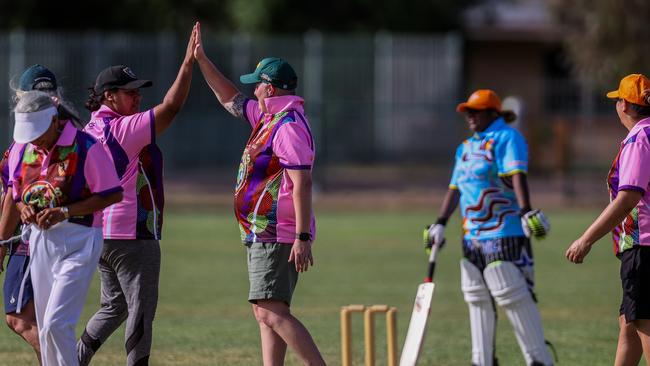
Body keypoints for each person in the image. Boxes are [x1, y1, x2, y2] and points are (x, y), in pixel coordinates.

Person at [193, 23, 325, 366]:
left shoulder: (288, 126)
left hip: (278, 231)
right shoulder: (269, 116)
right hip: (260, 230)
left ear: (269, 88)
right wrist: (201, 60)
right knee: (266, 312)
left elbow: (303, 183)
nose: (252, 92)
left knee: (271, 312)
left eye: (257, 86)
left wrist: (302, 236)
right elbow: (229, 98)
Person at [77, 25, 196, 366]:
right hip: (132, 233)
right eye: (130, 92)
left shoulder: (90, 129)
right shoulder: (121, 128)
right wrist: (187, 63)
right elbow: (171, 107)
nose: (138, 97)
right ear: (108, 96)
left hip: (100, 232)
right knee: (141, 310)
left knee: (114, 305)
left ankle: (70, 360)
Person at [426, 89, 553, 366]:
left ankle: (540, 360)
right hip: (471, 235)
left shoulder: (507, 137)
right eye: (467, 112)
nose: (470, 116)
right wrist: (440, 223)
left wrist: (525, 210)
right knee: (476, 297)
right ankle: (482, 361)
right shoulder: (466, 147)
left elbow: (516, 174)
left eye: (476, 111)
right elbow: (455, 188)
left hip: (505, 231)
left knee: (511, 293)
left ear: (493, 113)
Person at [8, 90, 123, 366]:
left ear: (53, 122)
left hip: (80, 240)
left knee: (56, 323)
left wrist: (66, 212)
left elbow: (112, 194)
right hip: (40, 241)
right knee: (46, 329)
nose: (34, 139)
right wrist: (22, 207)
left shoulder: (85, 146)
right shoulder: (23, 149)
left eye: (37, 132)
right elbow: (15, 191)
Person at [0, 64, 83, 364]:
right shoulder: (72, 132)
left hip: (31, 241)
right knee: (46, 320)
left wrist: (0, 243)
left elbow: (13, 196)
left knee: (20, 318)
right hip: (70, 239)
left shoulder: (26, 141)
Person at [566, 74, 650, 365]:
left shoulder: (640, 139)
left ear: (624, 105)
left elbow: (628, 197)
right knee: (629, 326)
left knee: (644, 324)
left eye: (617, 100)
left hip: (644, 247)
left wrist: (586, 239)